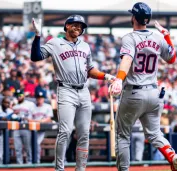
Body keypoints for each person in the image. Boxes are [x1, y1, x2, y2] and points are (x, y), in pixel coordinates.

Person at [31, 15, 115, 171]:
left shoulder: (85, 46)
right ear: (67, 26)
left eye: (81, 26)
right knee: (65, 131)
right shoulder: (55, 43)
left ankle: (80, 169)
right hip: (66, 90)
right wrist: (37, 36)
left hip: (84, 90)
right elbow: (35, 56)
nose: (78, 27)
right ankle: (59, 169)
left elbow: (90, 70)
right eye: (75, 24)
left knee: (84, 133)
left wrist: (107, 76)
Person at [109, 2, 177, 171]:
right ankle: (172, 155)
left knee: (122, 135)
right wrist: (167, 36)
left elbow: (127, 59)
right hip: (154, 93)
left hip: (134, 92)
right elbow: (172, 59)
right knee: (155, 134)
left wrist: (119, 79)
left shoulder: (130, 37)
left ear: (134, 17)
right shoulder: (158, 37)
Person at [28, 91, 53, 163]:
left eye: (41, 98)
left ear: (43, 99)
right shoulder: (32, 107)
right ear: (36, 98)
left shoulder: (47, 106)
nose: (40, 99)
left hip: (42, 130)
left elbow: (49, 119)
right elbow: (29, 120)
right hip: (33, 130)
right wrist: (39, 121)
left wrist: (38, 121)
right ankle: (31, 161)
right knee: (30, 145)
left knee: (36, 143)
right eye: (38, 98)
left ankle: (37, 161)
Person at [12, 89, 36, 164]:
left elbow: (34, 116)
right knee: (17, 148)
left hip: (27, 127)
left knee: (28, 147)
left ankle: (29, 163)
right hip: (16, 128)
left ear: (23, 95)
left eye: (20, 95)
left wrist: (29, 119)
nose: (19, 97)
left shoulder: (30, 104)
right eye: (17, 95)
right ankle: (19, 164)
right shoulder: (14, 106)